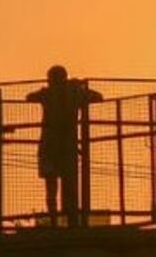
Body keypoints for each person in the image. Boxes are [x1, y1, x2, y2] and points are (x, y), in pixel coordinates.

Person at [26, 65, 102, 226]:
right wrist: (77, 86)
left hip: (49, 144)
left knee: (51, 186)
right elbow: (98, 96)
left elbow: (29, 97)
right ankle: (70, 219)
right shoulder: (75, 93)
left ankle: (54, 219)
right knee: (69, 185)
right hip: (68, 146)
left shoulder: (47, 93)